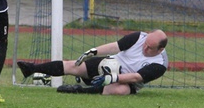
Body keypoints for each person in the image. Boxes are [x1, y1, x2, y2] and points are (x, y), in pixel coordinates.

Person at [17, 30, 169, 95]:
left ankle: (78, 90)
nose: (145, 47)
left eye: (150, 48)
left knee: (118, 91)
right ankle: (32, 68)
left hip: (125, 81)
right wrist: (93, 52)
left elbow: (136, 77)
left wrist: (112, 79)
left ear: (160, 48)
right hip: (108, 64)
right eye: (145, 43)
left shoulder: (160, 64)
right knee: (73, 66)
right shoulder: (139, 37)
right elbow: (115, 46)